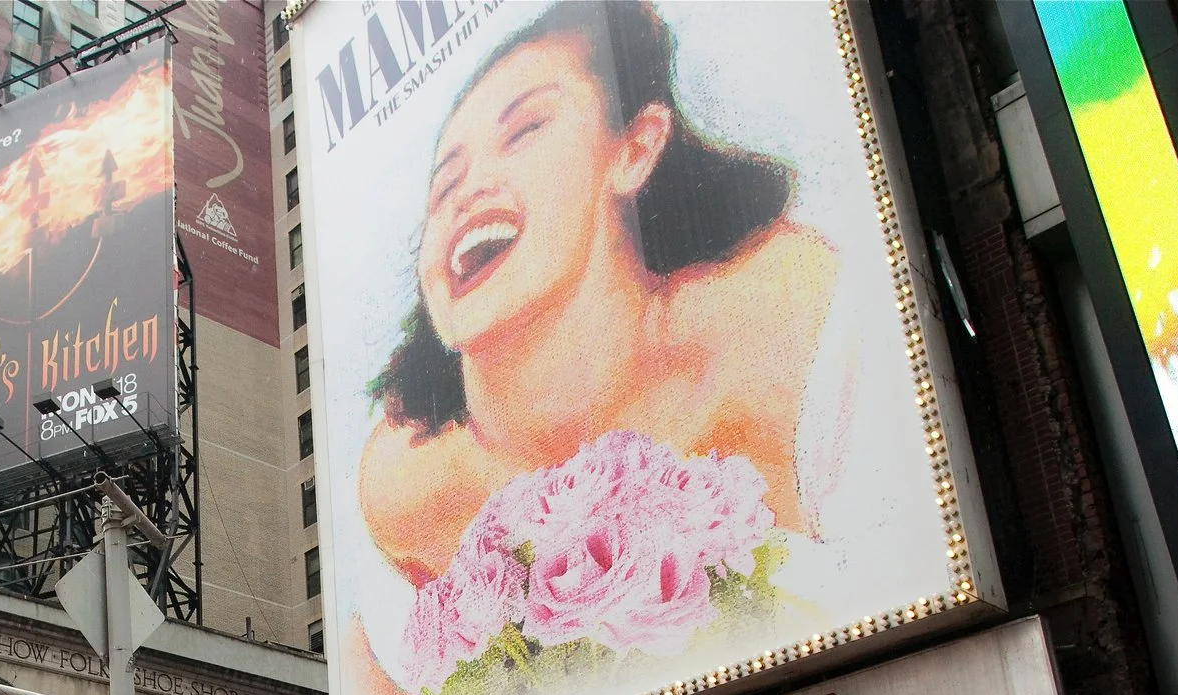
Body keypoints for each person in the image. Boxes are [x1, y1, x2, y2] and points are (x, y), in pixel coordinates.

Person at [357, 0, 836, 586]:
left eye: (526, 129)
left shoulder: (783, 318)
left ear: (635, 150)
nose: (467, 192)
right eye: (444, 184)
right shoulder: (405, 485)